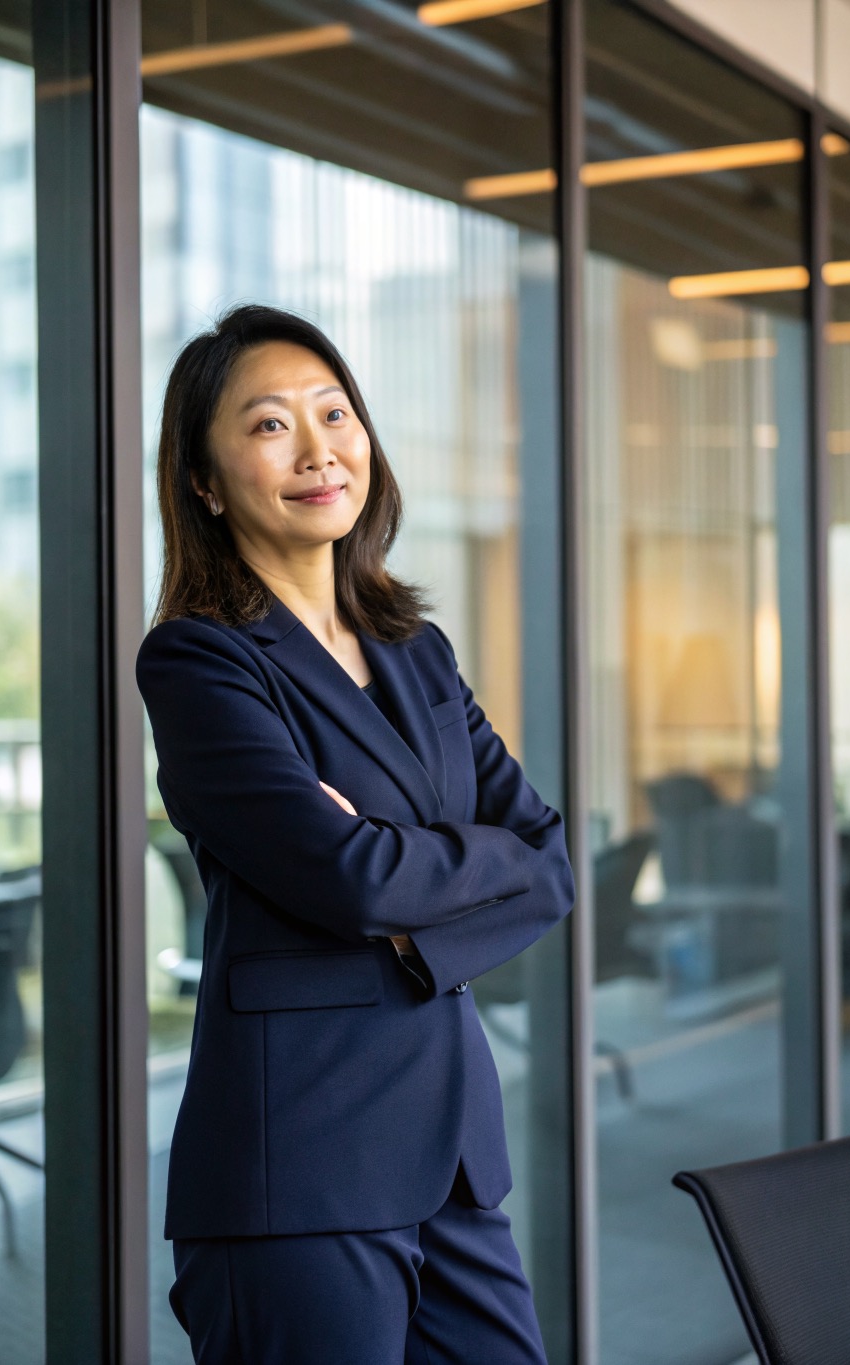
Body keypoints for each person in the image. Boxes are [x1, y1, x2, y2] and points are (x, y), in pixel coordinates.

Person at [135, 301, 576, 1364]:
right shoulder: (200, 663)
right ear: (204, 481)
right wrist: (448, 870)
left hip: (452, 1151)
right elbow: (346, 878)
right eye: (270, 424)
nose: (319, 447)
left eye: (334, 413)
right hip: (303, 1162)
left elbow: (548, 866)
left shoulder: (416, 651)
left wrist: (404, 904)